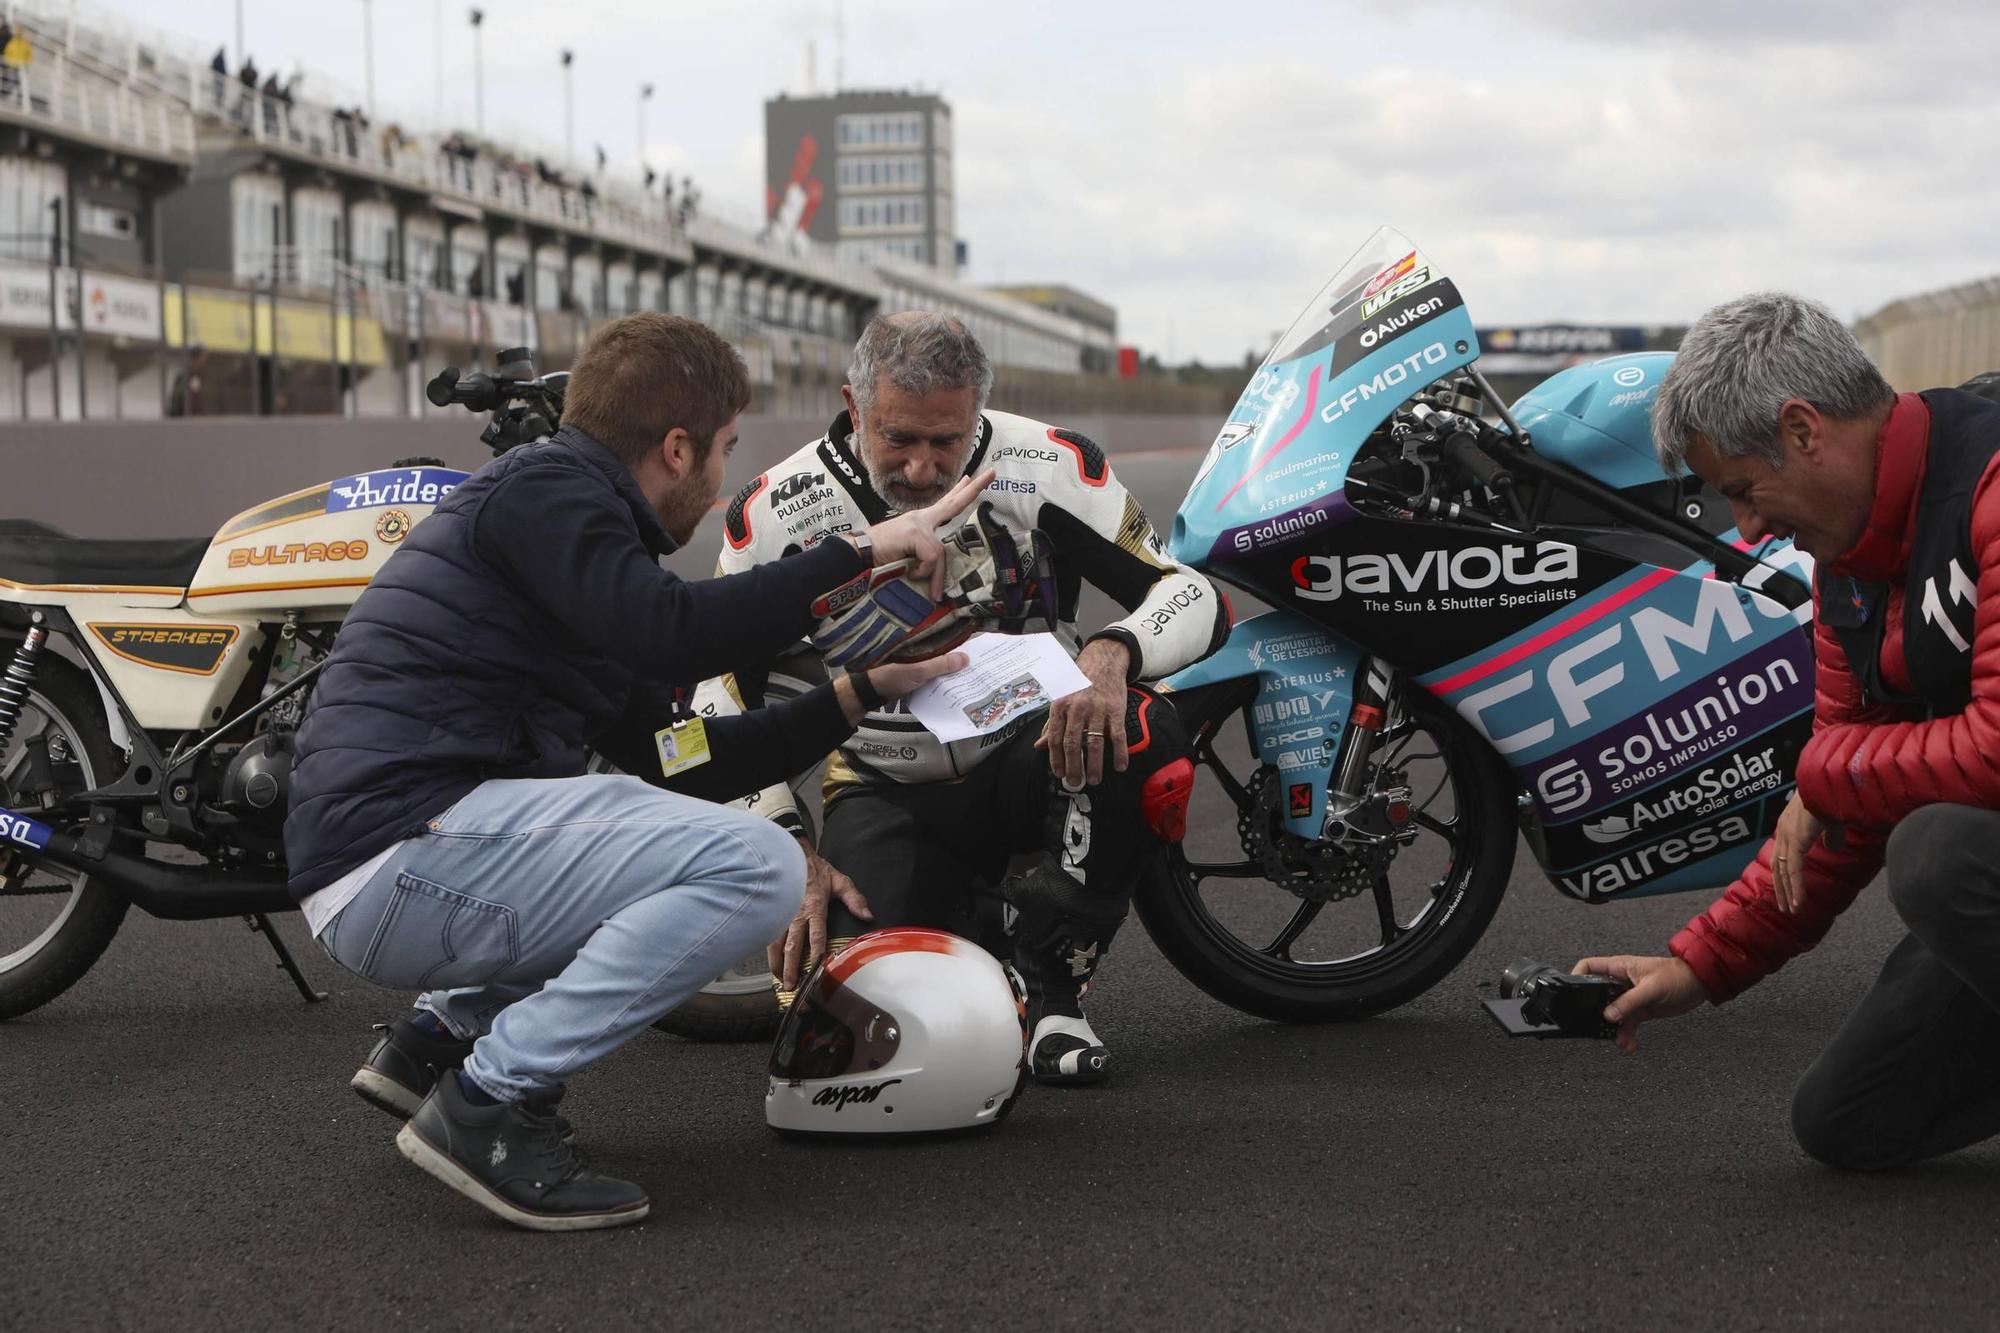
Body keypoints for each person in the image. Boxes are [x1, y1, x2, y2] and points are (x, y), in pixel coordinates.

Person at [285, 313, 991, 1230]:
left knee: (654, 828)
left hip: (402, 865)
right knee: (760, 865)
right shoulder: (544, 492)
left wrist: (856, 692)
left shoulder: (578, 556)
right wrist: (860, 551)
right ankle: (488, 1102)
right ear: (675, 447)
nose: (720, 480)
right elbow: (675, 630)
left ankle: (434, 1043)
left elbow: (681, 754)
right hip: (397, 856)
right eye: (724, 451)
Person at [698, 312, 1227, 1084]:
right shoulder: (775, 511)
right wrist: (784, 842)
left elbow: (1195, 597)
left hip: (1035, 760)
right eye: (898, 439)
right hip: (882, 789)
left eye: (945, 441)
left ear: (979, 408)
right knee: (850, 1028)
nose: (920, 468)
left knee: (1143, 731)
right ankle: (984, 927)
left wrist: (1116, 652)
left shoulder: (1048, 464)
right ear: (854, 407)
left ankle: (1054, 988)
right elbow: (714, 689)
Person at [1576, 292, 2000, 1170]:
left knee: (1939, 854)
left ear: (1803, 430)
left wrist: (1821, 775)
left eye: (1741, 489)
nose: (1749, 527)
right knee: (1849, 1116)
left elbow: (1991, 748)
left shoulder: (1991, 482)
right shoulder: (1844, 572)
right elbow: (1844, 810)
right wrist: (1697, 968)